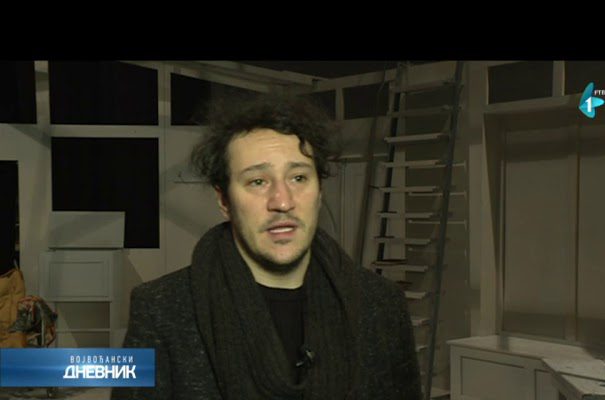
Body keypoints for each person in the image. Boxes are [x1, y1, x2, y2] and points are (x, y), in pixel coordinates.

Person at [111, 93, 421, 400]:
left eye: (298, 177)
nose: (282, 202)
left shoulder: (382, 305)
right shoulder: (158, 310)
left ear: (319, 191)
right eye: (258, 181)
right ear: (224, 200)